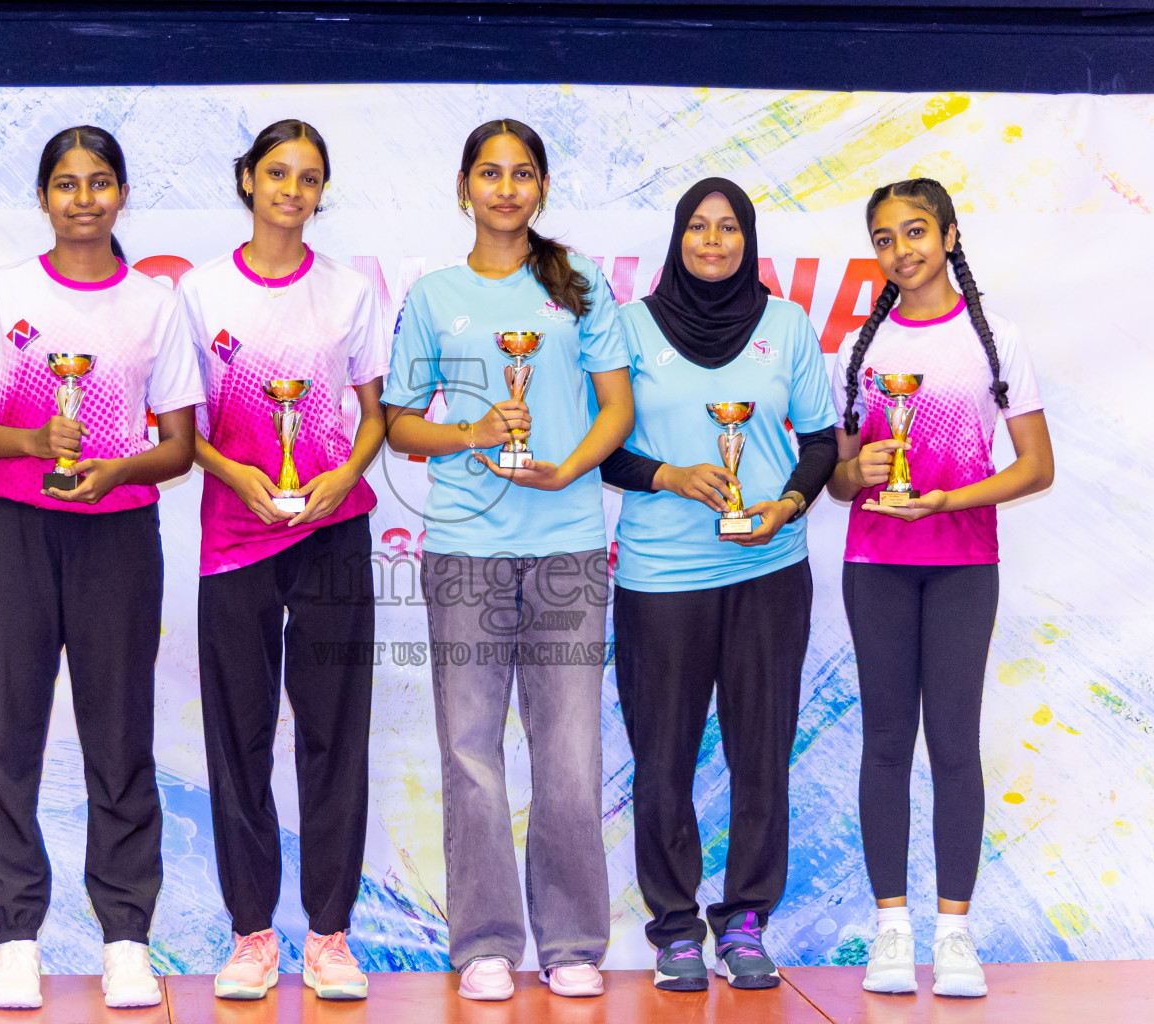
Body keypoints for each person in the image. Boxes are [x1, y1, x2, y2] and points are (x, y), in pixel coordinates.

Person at [0, 125, 202, 1010]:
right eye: (65, 184)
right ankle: (16, 937)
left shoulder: (155, 307)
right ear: (43, 199)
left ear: (122, 194)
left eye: (99, 183)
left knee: (119, 733)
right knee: (8, 733)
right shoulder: (0, 293)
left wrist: (116, 467)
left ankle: (127, 936)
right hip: (9, 524)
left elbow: (179, 448)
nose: (83, 199)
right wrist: (30, 440)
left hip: (117, 531)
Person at [381, 118, 633, 1002]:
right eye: (490, 174)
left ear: (541, 188)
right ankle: (485, 941)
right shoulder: (432, 296)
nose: (506, 189)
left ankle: (571, 944)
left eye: (523, 174)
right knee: (470, 751)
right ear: (464, 188)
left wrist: (571, 465)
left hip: (565, 546)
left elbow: (616, 411)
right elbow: (398, 421)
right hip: (465, 551)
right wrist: (470, 431)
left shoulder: (577, 286)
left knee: (569, 751)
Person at [599, 178, 838, 992]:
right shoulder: (630, 327)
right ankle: (673, 929)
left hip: (768, 569)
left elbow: (819, 444)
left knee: (760, 754)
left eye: (728, 228)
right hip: (662, 577)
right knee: (662, 758)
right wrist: (669, 473)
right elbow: (606, 449)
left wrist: (789, 503)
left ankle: (744, 921)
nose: (712, 241)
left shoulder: (788, 327)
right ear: (678, 238)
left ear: (748, 239)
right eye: (698, 227)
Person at [176, 119, 389, 1002]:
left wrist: (341, 475)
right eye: (277, 174)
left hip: (333, 530)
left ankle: (331, 937)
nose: (292, 191)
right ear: (247, 181)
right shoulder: (197, 292)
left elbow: (375, 414)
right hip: (236, 535)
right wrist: (241, 477)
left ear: (321, 191)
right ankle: (253, 936)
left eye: (308, 178)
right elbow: (182, 430)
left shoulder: (348, 291)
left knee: (336, 734)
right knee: (240, 737)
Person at [826, 177, 1053, 998]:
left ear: (950, 236)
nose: (901, 251)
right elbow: (840, 485)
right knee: (886, 742)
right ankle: (893, 928)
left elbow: (1037, 467)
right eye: (884, 239)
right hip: (876, 566)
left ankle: (954, 934)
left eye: (916, 232)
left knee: (954, 745)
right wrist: (861, 469)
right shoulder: (861, 350)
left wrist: (953, 497)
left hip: (964, 563)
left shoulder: (996, 343)